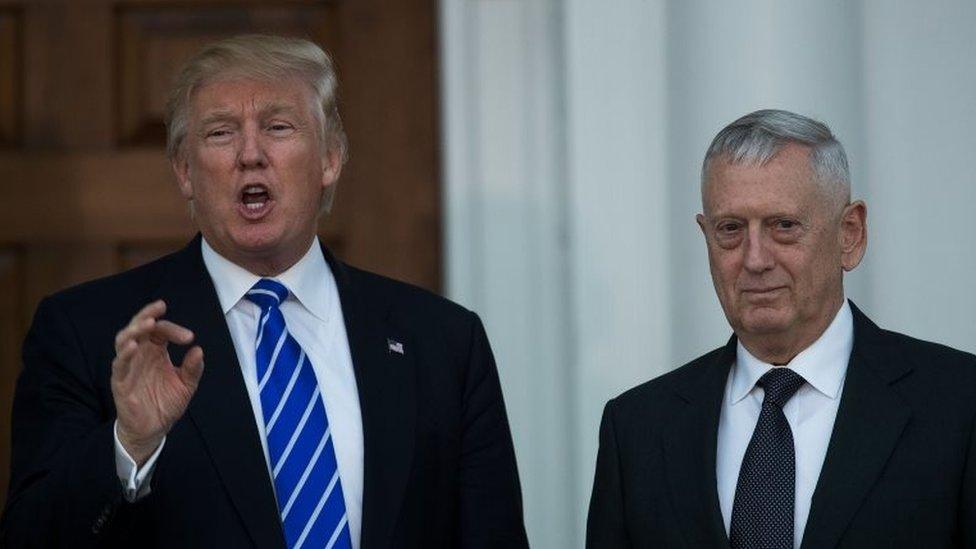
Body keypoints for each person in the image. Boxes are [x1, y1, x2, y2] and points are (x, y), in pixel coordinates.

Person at [0, 35, 528, 548]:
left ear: (330, 159)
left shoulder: (444, 341)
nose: (250, 155)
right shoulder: (87, 331)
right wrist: (129, 445)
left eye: (278, 126)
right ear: (185, 171)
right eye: (220, 134)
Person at [586, 109, 976, 548]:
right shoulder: (637, 428)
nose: (755, 259)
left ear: (850, 234)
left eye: (784, 226)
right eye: (730, 229)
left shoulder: (960, 405)